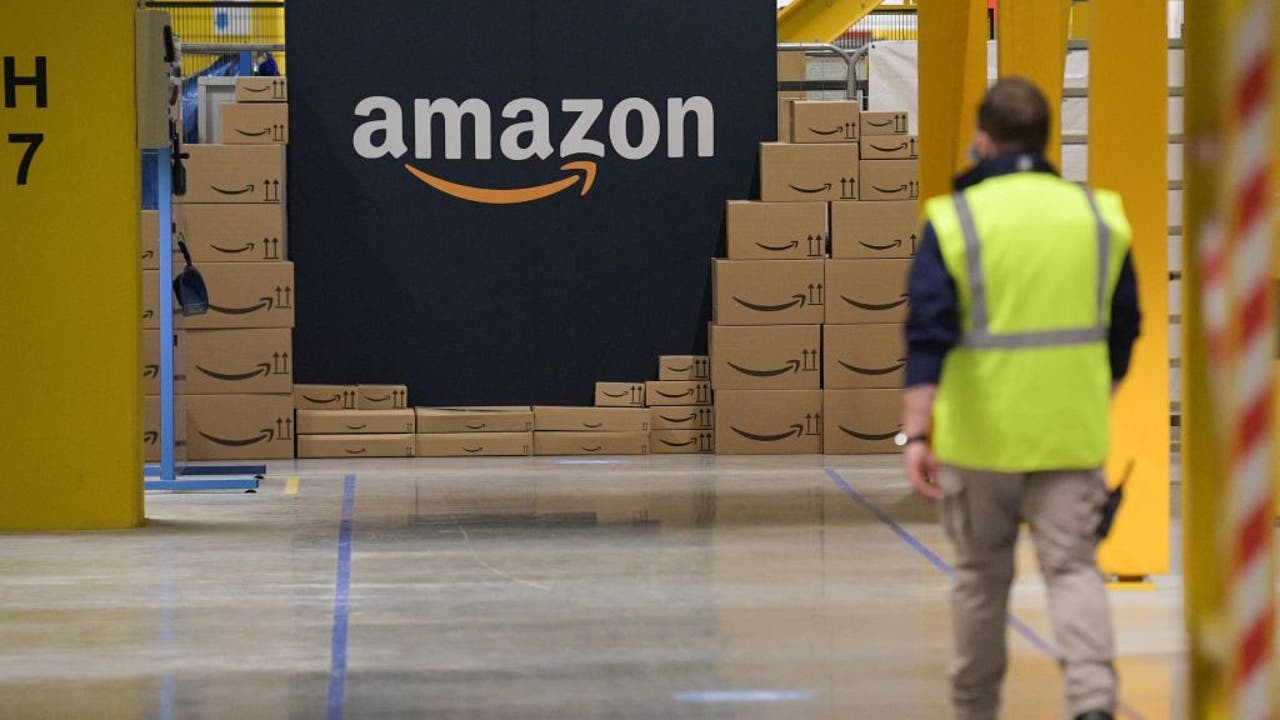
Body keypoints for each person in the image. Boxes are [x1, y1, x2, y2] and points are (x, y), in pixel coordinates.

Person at [898, 77, 1142, 720]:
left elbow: (928, 331)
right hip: (1069, 434)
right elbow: (1125, 325)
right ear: (1047, 138)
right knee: (1074, 570)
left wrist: (916, 433)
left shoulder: (955, 220)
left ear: (983, 140)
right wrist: (1098, 391)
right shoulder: (1099, 216)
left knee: (981, 579)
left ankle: (975, 708)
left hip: (980, 441)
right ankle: (1093, 705)